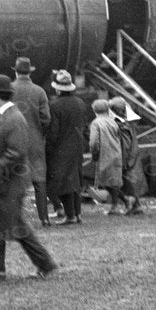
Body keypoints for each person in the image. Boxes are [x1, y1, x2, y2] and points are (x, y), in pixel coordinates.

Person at [0, 75, 56, 282]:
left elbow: (16, 152)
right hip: (1, 182)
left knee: (16, 226)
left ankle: (45, 263)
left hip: (7, 183)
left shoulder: (14, 118)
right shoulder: (4, 116)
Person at [44, 69, 91, 225]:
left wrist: (48, 149)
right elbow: (85, 128)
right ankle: (77, 214)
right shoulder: (80, 103)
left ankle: (70, 215)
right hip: (77, 147)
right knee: (75, 181)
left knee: (60, 182)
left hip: (60, 149)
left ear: (58, 89)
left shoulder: (55, 106)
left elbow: (53, 132)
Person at [10, 57, 53, 225]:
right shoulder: (39, 91)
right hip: (35, 140)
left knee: (14, 179)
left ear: (15, 71)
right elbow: (46, 118)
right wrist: (38, 132)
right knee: (39, 180)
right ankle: (44, 218)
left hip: (13, 140)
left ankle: (15, 219)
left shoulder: (8, 89)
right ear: (30, 72)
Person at [86, 98, 124, 215]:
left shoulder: (96, 123)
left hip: (104, 155)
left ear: (94, 110)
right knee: (114, 182)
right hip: (116, 153)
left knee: (103, 181)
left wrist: (94, 154)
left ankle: (118, 204)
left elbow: (93, 142)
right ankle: (118, 204)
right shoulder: (113, 122)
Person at [111, 98, 147, 216]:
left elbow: (125, 145)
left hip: (128, 158)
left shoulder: (122, 126)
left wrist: (124, 160)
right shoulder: (129, 124)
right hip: (133, 155)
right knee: (132, 183)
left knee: (129, 183)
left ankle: (132, 206)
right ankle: (136, 206)